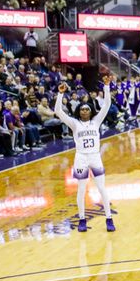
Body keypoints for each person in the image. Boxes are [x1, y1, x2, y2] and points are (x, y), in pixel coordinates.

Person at [55, 76, 116, 232]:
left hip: (95, 156)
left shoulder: (96, 121)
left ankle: (109, 219)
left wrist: (107, 87)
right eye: (82, 109)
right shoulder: (74, 123)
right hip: (81, 157)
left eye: (87, 109)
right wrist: (60, 94)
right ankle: (82, 220)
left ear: (90, 111)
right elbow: (58, 111)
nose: (84, 111)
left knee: (102, 188)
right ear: (78, 111)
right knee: (81, 189)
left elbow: (107, 104)